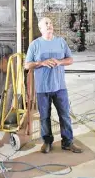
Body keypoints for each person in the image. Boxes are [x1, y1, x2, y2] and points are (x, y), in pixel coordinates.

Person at [25, 17, 82, 154]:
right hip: (42, 88)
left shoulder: (61, 42)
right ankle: (47, 141)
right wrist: (41, 63)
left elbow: (70, 60)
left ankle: (68, 142)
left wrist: (59, 62)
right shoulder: (35, 45)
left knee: (65, 115)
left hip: (60, 86)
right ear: (40, 28)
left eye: (50, 23)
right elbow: (27, 65)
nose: (49, 25)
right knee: (44, 116)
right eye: (46, 23)